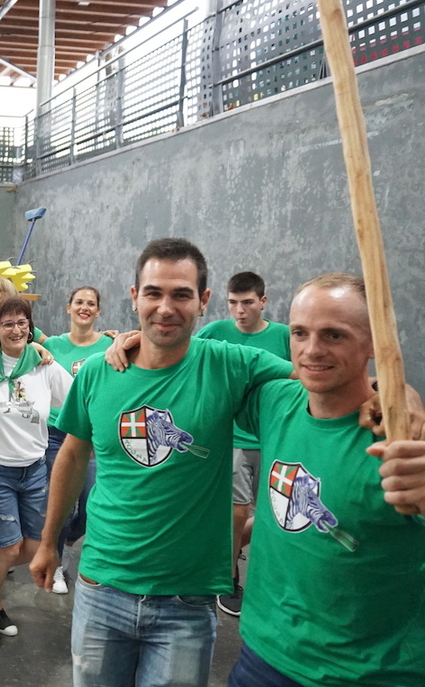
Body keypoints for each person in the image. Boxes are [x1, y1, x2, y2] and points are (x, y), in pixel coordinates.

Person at [30, 237, 294, 687]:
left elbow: (312, 373)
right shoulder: (98, 372)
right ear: (135, 297)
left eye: (181, 295)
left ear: (203, 301)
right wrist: (48, 542)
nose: (166, 307)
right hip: (101, 588)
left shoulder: (227, 364)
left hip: (185, 601)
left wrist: (388, 394)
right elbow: (72, 455)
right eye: (153, 293)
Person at [228, 273, 425, 686]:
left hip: (366, 675)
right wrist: (125, 342)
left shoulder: (405, 444)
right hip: (261, 656)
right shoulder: (275, 401)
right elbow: (190, 361)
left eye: (334, 335)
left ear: (374, 344)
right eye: (300, 333)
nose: (312, 350)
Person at [0, 296, 72, 636]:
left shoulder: (45, 367)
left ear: (31, 327)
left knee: (37, 545)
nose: (16, 330)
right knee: (9, 548)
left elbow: (77, 400)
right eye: (8, 324)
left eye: (22, 323)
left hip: (35, 470)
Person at [195, 270, 290, 617]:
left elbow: (306, 374)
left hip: (275, 440)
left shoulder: (283, 336)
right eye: (233, 302)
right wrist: (123, 341)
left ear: (263, 302)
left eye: (247, 302)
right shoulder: (215, 332)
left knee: (274, 517)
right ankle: (229, 575)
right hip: (232, 439)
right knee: (236, 512)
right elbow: (179, 352)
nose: (239, 310)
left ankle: (237, 562)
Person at [41, 286, 114, 594]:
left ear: (98, 311)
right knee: (60, 503)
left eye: (91, 304)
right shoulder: (52, 345)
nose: (85, 307)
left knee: (87, 507)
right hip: (57, 433)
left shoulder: (111, 344)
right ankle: (56, 564)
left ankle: (70, 542)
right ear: (68, 307)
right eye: (79, 302)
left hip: (93, 435)